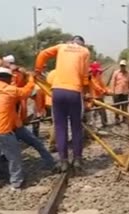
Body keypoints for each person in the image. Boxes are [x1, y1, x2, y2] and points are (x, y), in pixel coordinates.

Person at [35, 35, 90, 172]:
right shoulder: (85, 51)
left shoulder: (61, 47)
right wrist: (86, 92)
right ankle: (77, 159)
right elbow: (84, 76)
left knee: (60, 127)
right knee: (76, 126)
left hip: (58, 91)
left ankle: (63, 161)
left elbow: (42, 54)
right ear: (82, 44)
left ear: (71, 42)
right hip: (74, 92)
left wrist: (38, 70)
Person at [0, 67, 34, 191]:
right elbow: (26, 92)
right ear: (8, 78)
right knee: (14, 156)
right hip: (1, 131)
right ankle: (16, 183)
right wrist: (31, 78)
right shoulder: (10, 90)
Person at [111, 59, 129, 124]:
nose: (122, 67)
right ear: (120, 66)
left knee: (124, 106)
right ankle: (117, 119)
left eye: (123, 66)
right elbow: (113, 82)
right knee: (117, 107)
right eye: (121, 65)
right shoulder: (116, 73)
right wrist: (112, 91)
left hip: (125, 92)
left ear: (125, 66)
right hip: (117, 92)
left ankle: (124, 118)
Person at [89, 61, 109, 127]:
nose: (98, 72)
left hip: (99, 97)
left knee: (103, 111)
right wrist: (102, 90)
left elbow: (102, 84)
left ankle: (104, 123)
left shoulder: (98, 76)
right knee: (88, 112)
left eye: (98, 71)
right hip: (92, 98)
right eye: (96, 71)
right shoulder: (90, 77)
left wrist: (107, 90)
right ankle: (89, 126)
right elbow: (95, 85)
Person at [45, 69, 57, 152]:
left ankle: (52, 144)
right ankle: (52, 145)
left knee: (54, 123)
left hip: (51, 99)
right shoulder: (66, 72)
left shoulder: (51, 73)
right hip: (56, 100)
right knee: (57, 123)